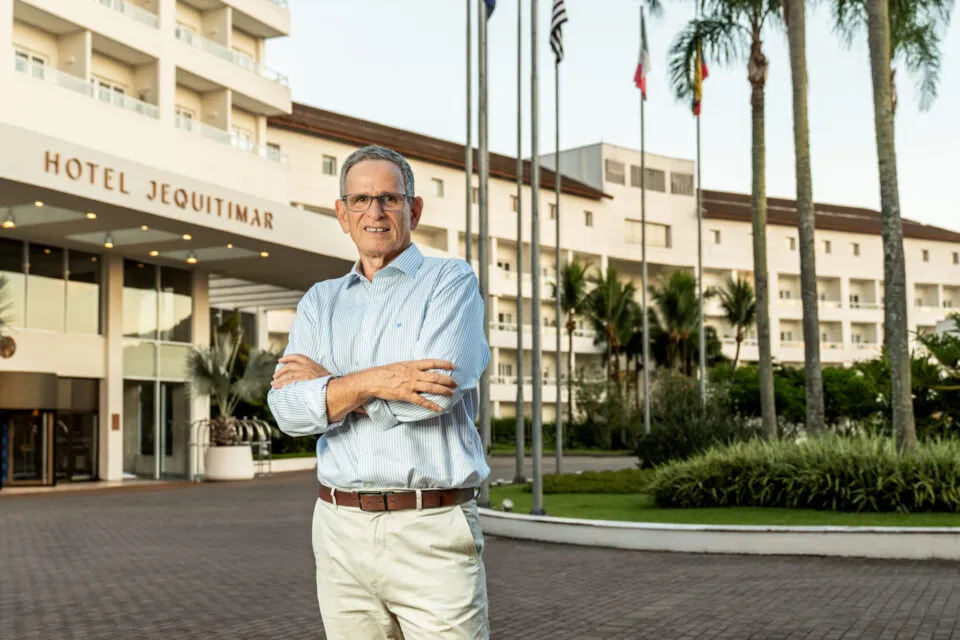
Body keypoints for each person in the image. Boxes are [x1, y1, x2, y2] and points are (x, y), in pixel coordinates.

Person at [267, 144, 491, 639]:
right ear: (341, 214)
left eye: (390, 198)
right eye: (361, 200)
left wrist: (330, 387)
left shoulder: (449, 282)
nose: (375, 212)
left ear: (414, 209)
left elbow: (433, 397)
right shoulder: (319, 301)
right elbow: (287, 410)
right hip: (338, 528)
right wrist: (380, 381)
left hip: (431, 528)